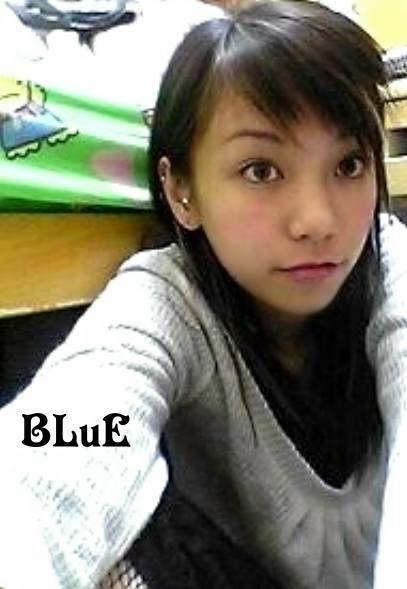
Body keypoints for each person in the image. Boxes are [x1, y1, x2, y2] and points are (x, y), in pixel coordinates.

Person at [0, 1, 407, 588]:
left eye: (348, 164)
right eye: (261, 170)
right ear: (181, 191)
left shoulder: (388, 261)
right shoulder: (166, 303)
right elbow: (70, 429)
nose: (318, 220)